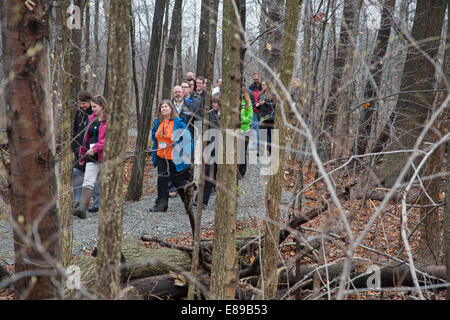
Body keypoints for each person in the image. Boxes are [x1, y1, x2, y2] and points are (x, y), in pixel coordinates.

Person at [149, 100, 193, 212]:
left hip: (175, 157)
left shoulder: (178, 122)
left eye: (166, 107)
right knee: (162, 181)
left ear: (171, 109)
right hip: (161, 156)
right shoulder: (158, 122)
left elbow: (188, 138)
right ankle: (161, 205)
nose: (163, 109)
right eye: (162, 107)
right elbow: (154, 136)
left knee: (178, 181)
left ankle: (188, 204)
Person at [72, 95, 107, 219]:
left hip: (104, 156)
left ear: (102, 106)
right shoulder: (91, 118)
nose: (93, 109)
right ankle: (82, 208)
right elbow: (86, 137)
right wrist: (83, 152)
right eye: (92, 106)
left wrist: (95, 149)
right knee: (88, 180)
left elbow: (105, 140)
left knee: (105, 181)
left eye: (95, 107)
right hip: (91, 156)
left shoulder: (108, 120)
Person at [194, 94, 221, 208]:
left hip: (223, 150)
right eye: (213, 102)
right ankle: (201, 200)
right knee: (208, 175)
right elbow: (202, 131)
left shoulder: (229, 116)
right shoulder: (209, 114)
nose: (213, 104)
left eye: (215, 102)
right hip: (210, 149)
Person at [256, 80, 276, 156]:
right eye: (262, 85)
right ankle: (260, 151)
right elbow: (258, 107)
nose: (262, 86)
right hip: (262, 117)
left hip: (270, 117)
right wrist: (258, 105)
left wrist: (265, 103)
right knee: (262, 134)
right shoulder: (260, 94)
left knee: (270, 135)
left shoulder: (273, 94)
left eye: (264, 85)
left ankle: (270, 150)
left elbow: (274, 105)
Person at [238, 87, 253, 179]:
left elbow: (249, 119)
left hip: (245, 130)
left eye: (242, 93)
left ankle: (242, 172)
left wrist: (240, 119)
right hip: (236, 130)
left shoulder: (248, 104)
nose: (241, 95)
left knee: (242, 152)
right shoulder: (235, 103)